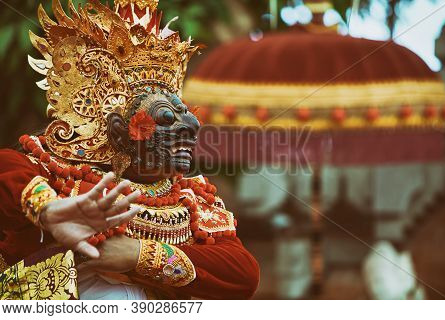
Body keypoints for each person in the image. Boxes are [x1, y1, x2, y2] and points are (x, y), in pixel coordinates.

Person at [0, 0, 259, 300]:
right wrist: (46, 209)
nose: (191, 126)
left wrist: (137, 255)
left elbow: (243, 274)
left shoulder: (192, 199)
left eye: (187, 113)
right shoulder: (62, 177)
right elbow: (6, 167)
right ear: (119, 132)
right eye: (166, 116)